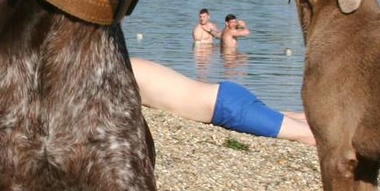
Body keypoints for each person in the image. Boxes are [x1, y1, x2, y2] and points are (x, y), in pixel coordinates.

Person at [132, 57, 315, 146]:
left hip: (225, 108)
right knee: (284, 119)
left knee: (307, 135)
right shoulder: (130, 64)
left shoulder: (122, 76)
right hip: (224, 97)